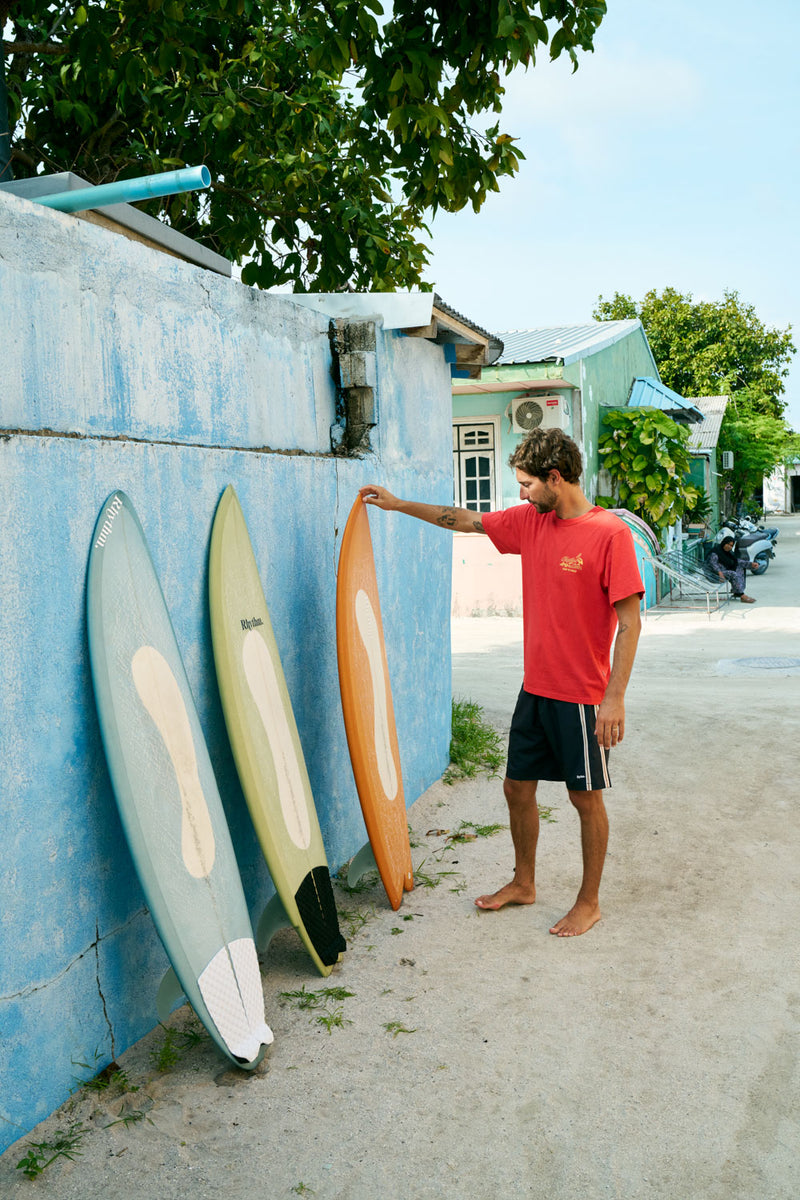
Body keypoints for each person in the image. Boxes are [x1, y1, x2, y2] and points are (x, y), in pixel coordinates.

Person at [360, 427, 644, 937]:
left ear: (555, 478)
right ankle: (524, 882)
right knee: (516, 787)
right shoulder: (531, 522)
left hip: (581, 697)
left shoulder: (609, 535)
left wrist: (614, 698)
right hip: (535, 689)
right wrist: (399, 505)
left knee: (585, 799)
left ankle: (589, 901)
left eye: (527, 483)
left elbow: (630, 622)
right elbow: (465, 521)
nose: (521, 493)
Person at [707, 536, 757, 603]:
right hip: (714, 574)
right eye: (727, 544)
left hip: (724, 572)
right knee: (733, 573)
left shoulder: (729, 553)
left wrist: (751, 564)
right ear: (723, 543)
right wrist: (720, 573)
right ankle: (741, 595)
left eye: (731, 545)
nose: (729, 547)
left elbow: (736, 561)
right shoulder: (715, 552)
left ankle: (738, 591)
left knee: (740, 567)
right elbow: (713, 564)